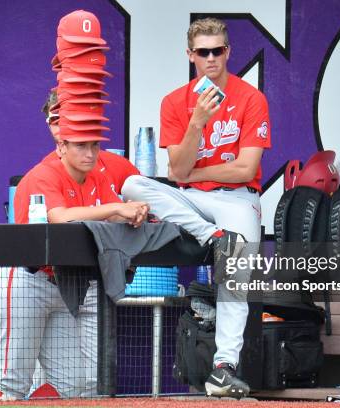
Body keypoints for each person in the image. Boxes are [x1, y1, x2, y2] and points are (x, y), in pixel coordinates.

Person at [122, 17, 271, 397]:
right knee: (131, 184)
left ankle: (223, 367)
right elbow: (176, 170)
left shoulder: (251, 98)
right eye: (203, 52)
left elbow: (247, 168)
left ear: (228, 52)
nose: (211, 58)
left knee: (235, 267)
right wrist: (197, 123)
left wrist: (197, 169)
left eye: (217, 50)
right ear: (190, 55)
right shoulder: (175, 101)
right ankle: (212, 237)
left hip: (237, 197)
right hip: (193, 199)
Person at [0, 130, 149, 400]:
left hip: (64, 285)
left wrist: (134, 213)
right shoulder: (44, 173)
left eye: (94, 145)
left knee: (72, 384)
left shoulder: (99, 176)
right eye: (81, 146)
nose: (90, 153)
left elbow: (115, 216)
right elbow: (59, 217)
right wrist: (115, 210)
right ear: (61, 146)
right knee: (14, 384)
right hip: (25, 280)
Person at [42, 91, 140, 195]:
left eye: (70, 119)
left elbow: (146, 206)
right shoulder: (44, 172)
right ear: (49, 125)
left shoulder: (119, 165)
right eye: (56, 120)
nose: (64, 125)